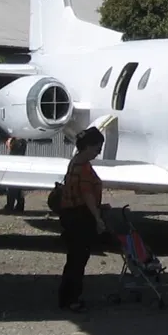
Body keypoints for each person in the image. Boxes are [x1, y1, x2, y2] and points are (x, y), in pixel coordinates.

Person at [56, 126, 107, 311]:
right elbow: (87, 195)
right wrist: (98, 218)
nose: (98, 152)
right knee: (78, 259)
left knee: (73, 258)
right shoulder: (84, 168)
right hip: (80, 216)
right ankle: (72, 299)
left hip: (69, 214)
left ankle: (66, 296)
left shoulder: (74, 162)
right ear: (87, 147)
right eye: (96, 148)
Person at [1, 135, 27, 213]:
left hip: (14, 165)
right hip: (19, 165)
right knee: (18, 188)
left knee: (12, 188)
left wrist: (9, 145)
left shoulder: (18, 142)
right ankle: (19, 205)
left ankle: (10, 205)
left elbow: (12, 152)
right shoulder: (23, 141)